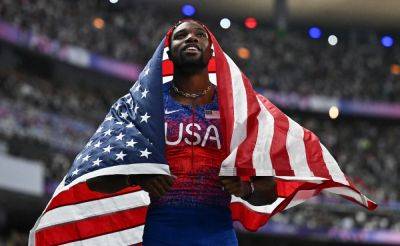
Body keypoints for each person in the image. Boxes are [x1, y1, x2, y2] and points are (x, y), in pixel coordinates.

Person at [87, 19, 277, 245]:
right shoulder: (145, 106)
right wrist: (136, 176)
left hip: (218, 235)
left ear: (212, 51)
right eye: (181, 35)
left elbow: (269, 191)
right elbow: (96, 180)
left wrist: (246, 188)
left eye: (199, 34)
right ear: (168, 51)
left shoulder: (236, 108)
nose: (191, 38)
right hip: (163, 233)